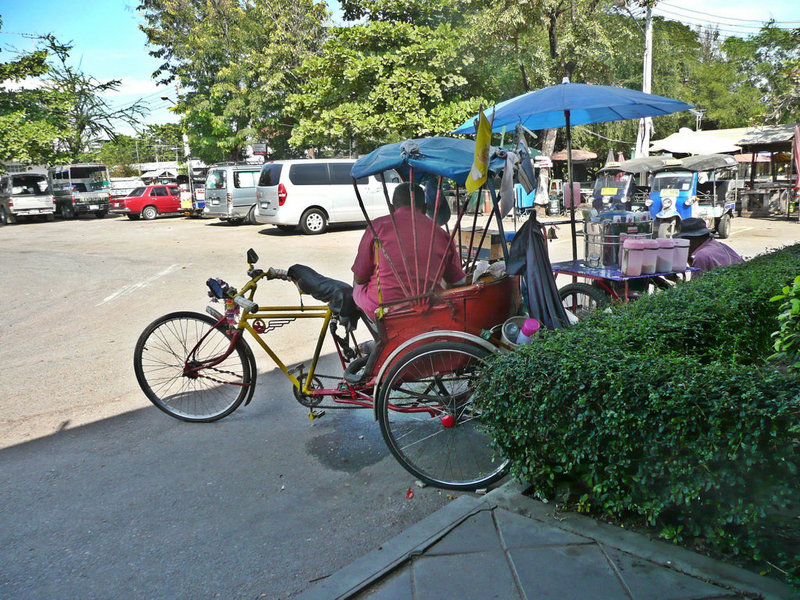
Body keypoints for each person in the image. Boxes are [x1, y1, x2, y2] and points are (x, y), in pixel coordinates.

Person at [351, 182, 466, 318]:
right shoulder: (441, 233)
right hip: (431, 307)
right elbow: (457, 280)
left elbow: (360, 278)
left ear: (391, 207)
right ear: (424, 208)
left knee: (357, 285)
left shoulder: (377, 227)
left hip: (383, 309)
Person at [675, 217, 743, 272]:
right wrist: (689, 260)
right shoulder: (719, 245)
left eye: (684, 240)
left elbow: (695, 287)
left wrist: (676, 280)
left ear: (693, 239)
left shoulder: (702, 255)